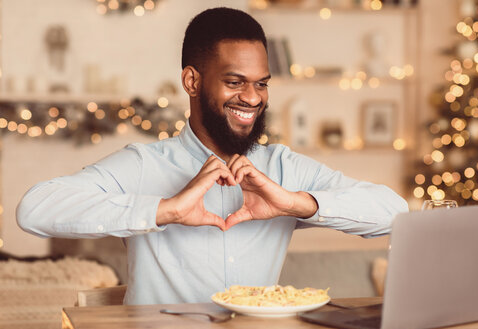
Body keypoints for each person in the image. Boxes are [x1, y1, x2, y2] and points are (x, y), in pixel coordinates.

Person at [16, 7, 408, 305]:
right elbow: (34, 210)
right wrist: (166, 209)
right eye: (234, 82)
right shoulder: (143, 165)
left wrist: (292, 203)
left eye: (261, 84)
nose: (252, 98)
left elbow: (393, 212)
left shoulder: (282, 168)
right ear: (192, 81)